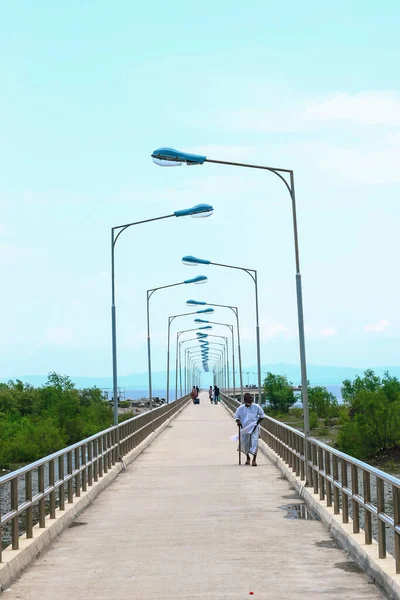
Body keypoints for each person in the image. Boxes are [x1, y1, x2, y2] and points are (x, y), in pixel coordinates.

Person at [235, 392, 264, 466]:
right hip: (245, 428)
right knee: (245, 443)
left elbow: (262, 416)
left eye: (251, 398)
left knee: (254, 442)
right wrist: (238, 422)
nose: (251, 400)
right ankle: (248, 458)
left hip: (254, 427)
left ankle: (254, 460)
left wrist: (256, 424)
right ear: (245, 400)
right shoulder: (241, 408)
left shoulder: (256, 407)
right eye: (249, 399)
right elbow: (237, 417)